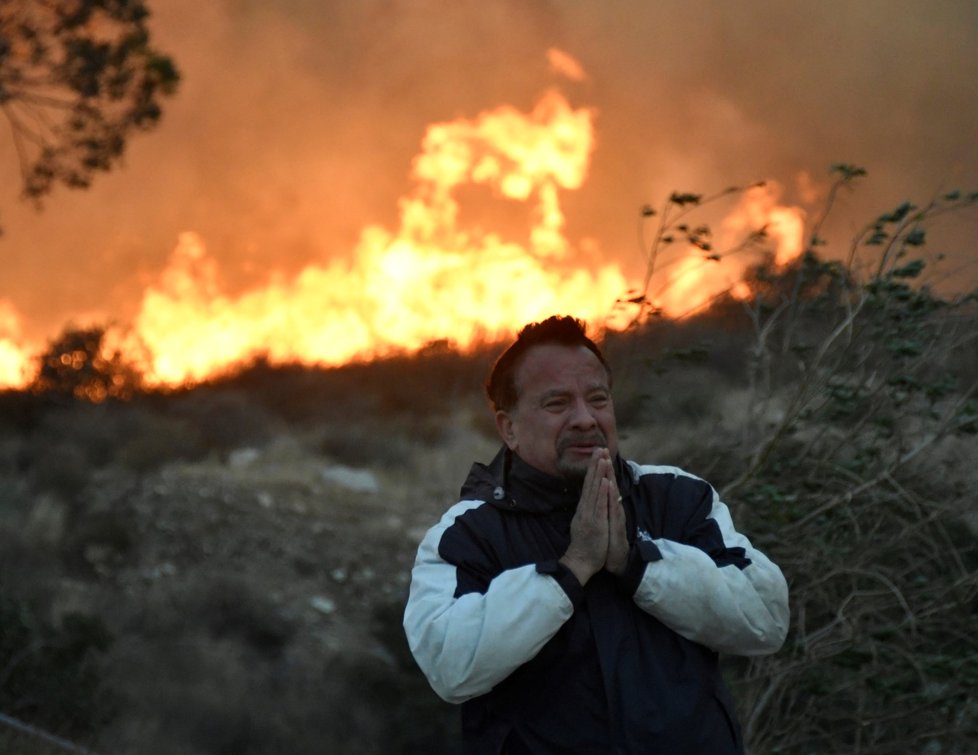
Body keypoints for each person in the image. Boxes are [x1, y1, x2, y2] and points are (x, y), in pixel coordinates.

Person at [403, 315, 789, 753]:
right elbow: (449, 665)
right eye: (557, 404)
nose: (585, 419)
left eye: (598, 399)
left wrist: (637, 564)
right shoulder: (468, 533)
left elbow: (766, 619)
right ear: (508, 428)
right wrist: (570, 571)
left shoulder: (677, 498)